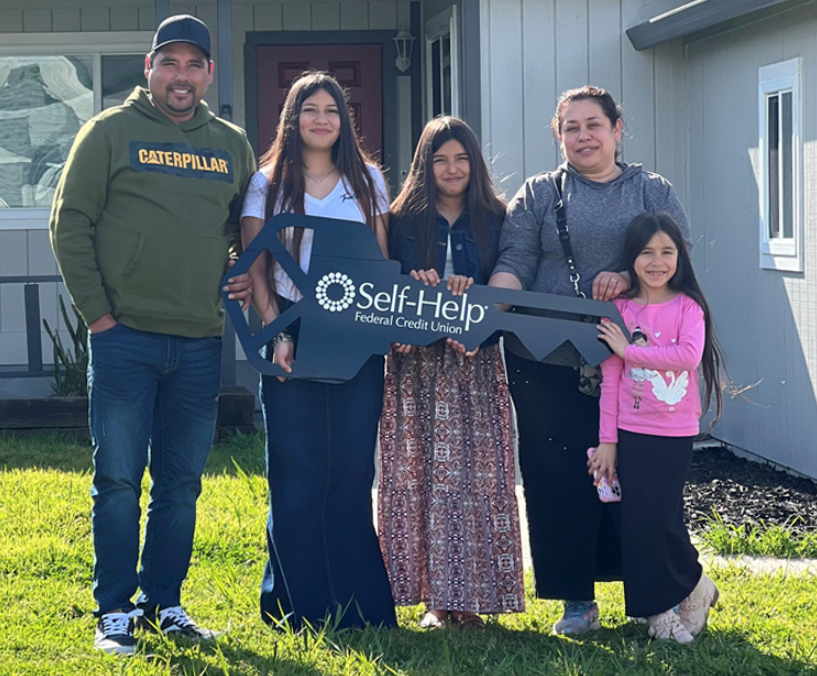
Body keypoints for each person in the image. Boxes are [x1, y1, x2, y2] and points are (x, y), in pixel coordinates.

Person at [49, 15, 256, 654]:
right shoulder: (108, 132)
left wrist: (236, 277)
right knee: (116, 478)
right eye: (171, 63)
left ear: (209, 74)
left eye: (195, 65)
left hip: (197, 341)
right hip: (125, 338)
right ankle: (113, 610)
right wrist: (98, 317)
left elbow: (242, 233)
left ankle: (164, 602)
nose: (182, 76)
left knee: (181, 483)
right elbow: (69, 222)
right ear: (149, 68)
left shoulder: (232, 144)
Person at [490, 85, 692, 635]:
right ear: (558, 136)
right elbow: (516, 261)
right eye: (571, 127)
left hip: (633, 363)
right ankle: (576, 601)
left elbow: (678, 257)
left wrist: (628, 278)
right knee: (556, 478)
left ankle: (660, 592)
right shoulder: (537, 194)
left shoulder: (652, 191)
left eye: (594, 124)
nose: (583, 136)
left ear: (617, 129)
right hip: (543, 359)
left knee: (638, 480)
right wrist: (483, 309)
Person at [240, 71, 396, 630]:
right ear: (293, 117)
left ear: (344, 120)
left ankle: (361, 611)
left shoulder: (369, 180)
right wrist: (277, 332)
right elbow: (256, 266)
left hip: (355, 339)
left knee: (351, 469)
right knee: (298, 469)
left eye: (333, 109)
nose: (322, 118)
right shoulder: (266, 183)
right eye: (311, 109)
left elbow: (379, 264)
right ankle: (294, 606)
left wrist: (375, 330)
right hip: (291, 336)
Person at [378, 116, 525, 629]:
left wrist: (477, 299)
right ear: (424, 165)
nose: (452, 168)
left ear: (475, 162)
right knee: (421, 478)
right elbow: (384, 290)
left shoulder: (497, 219)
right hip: (416, 367)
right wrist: (415, 287)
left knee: (474, 479)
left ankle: (471, 597)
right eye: (440, 159)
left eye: (461, 158)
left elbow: (508, 288)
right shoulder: (400, 220)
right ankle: (433, 600)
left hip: (473, 366)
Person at [592, 212, 723, 643]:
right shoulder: (621, 311)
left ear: (679, 258)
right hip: (629, 431)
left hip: (674, 432)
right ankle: (659, 614)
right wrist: (607, 441)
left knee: (663, 520)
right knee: (637, 523)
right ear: (632, 258)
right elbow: (611, 379)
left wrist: (631, 351)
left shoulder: (688, 307)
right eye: (647, 252)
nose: (657, 261)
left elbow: (687, 356)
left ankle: (693, 585)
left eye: (667, 251)